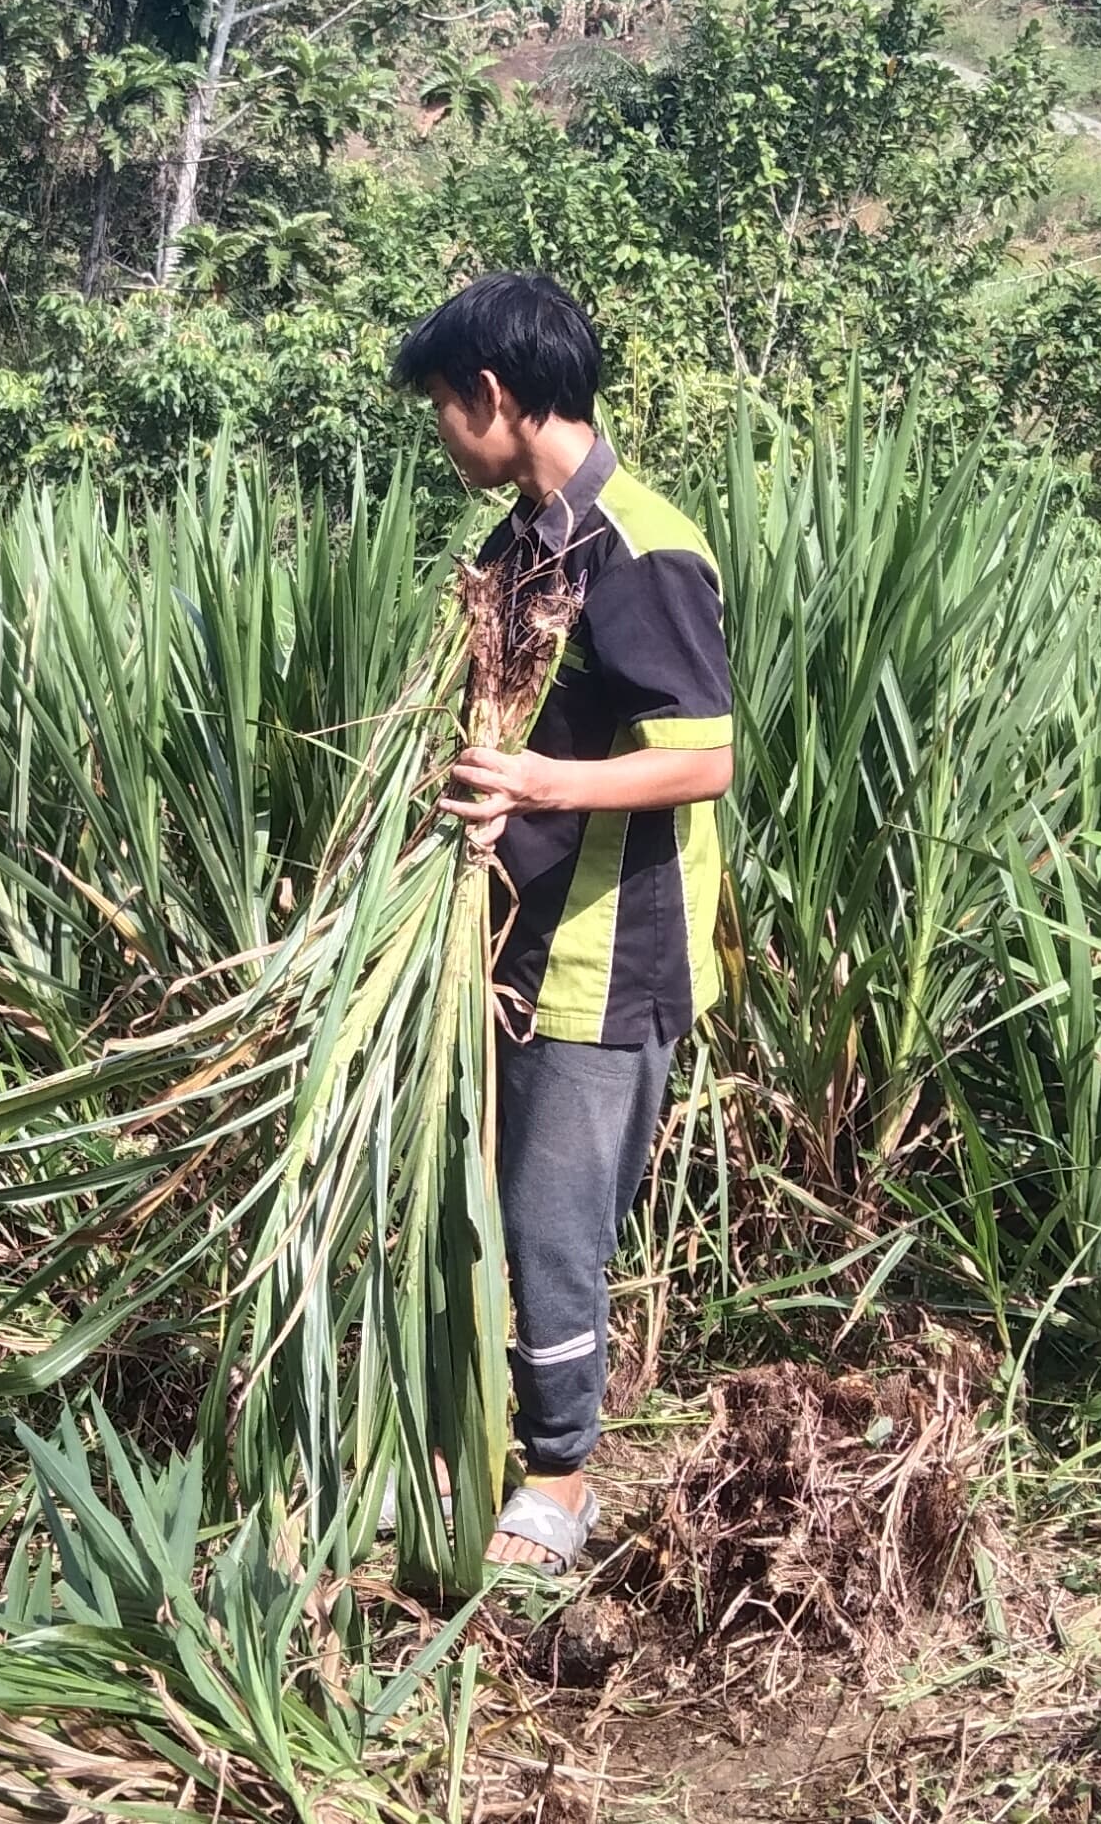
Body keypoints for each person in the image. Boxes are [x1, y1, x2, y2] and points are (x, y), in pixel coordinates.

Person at [389, 274, 734, 1576]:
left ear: (493, 397)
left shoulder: (637, 548)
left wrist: (539, 784)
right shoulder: (518, 544)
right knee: (474, 1206)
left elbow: (703, 757)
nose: (441, 434)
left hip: (605, 954)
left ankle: (562, 1485)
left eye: (442, 407)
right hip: (507, 937)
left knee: (550, 1224)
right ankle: (467, 1452)